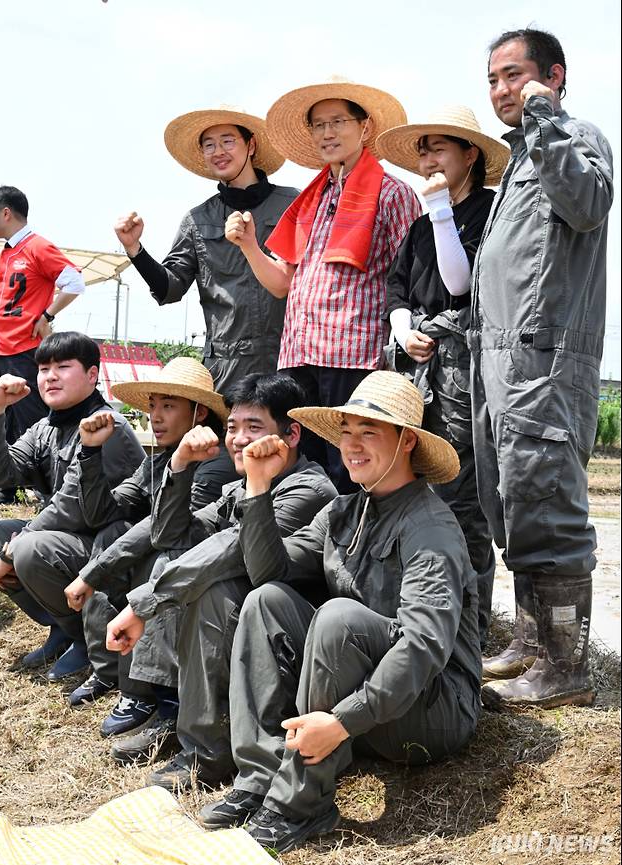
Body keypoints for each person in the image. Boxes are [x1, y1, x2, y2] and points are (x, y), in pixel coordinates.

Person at [198, 371, 481, 853]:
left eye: (368, 432)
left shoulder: (430, 526)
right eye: (346, 432)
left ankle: (299, 806)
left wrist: (343, 722)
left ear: (406, 441)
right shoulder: (345, 511)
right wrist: (259, 488)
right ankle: (262, 775)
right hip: (367, 702)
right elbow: (270, 573)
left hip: (431, 708)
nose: (352, 445)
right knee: (266, 602)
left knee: (337, 617)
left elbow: (423, 647)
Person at [470, 29, 614, 708]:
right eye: (494, 79)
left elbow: (587, 203)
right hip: (502, 366)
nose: (502, 89)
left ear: (552, 75)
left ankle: (565, 667)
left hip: (546, 363)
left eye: (515, 75)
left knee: (550, 507)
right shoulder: (518, 162)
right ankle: (532, 640)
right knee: (517, 501)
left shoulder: (570, 133)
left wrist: (544, 114)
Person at [103, 373, 337, 784]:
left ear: (292, 434)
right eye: (232, 427)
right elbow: (171, 536)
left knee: (217, 590)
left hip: (288, 647)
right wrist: (178, 466)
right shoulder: (240, 486)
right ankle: (177, 713)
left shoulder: (308, 489)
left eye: (254, 427)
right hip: (252, 634)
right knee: (173, 562)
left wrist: (143, 604)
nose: (240, 439)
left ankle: (208, 753)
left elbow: (236, 552)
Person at [225, 80, 422, 492]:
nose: (327, 133)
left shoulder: (393, 194)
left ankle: (345, 552)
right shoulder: (310, 199)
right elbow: (282, 283)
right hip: (299, 351)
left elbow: (410, 279)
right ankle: (301, 550)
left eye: (338, 122)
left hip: (354, 355)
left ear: (365, 127)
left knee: (347, 468)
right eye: (318, 125)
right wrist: (247, 246)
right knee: (297, 465)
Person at [377, 106, 510, 644]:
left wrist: (438, 209)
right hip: (415, 368)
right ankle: (423, 614)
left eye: (439, 149)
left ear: (470, 154)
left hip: (461, 370)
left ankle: (469, 628)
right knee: (413, 482)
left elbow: (463, 285)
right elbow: (397, 288)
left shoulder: (489, 212)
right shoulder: (416, 227)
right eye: (423, 150)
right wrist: (402, 328)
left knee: (460, 491)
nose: (428, 159)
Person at [62, 357, 237, 737]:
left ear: (200, 412)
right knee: (111, 535)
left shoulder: (214, 461)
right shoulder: (158, 459)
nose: (155, 416)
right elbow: (105, 513)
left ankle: (150, 692)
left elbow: (165, 530)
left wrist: (92, 573)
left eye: (168, 406)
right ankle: (109, 672)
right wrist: (91, 453)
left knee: (157, 557)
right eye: (153, 406)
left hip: (199, 568)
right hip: (170, 554)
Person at [0, 332, 144, 679]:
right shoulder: (47, 427)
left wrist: (13, 548)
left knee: (28, 548)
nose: (50, 376)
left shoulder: (108, 426)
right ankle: (62, 626)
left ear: (92, 376)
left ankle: (84, 637)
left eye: (63, 366)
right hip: (68, 543)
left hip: (109, 552)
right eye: (43, 368)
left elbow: (71, 506)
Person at [113, 107, 297, 393]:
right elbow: (169, 289)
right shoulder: (198, 220)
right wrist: (135, 249)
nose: (218, 151)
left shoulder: (292, 204)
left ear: (251, 145)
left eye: (227, 141)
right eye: (209, 145)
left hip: (287, 359)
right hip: (226, 367)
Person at [0, 186, 86, 508]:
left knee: (30, 420)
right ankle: (7, 487)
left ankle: (45, 489)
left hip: (22, 348)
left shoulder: (37, 246)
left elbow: (74, 281)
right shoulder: (7, 251)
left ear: (6, 213)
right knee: (1, 419)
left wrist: (47, 314)